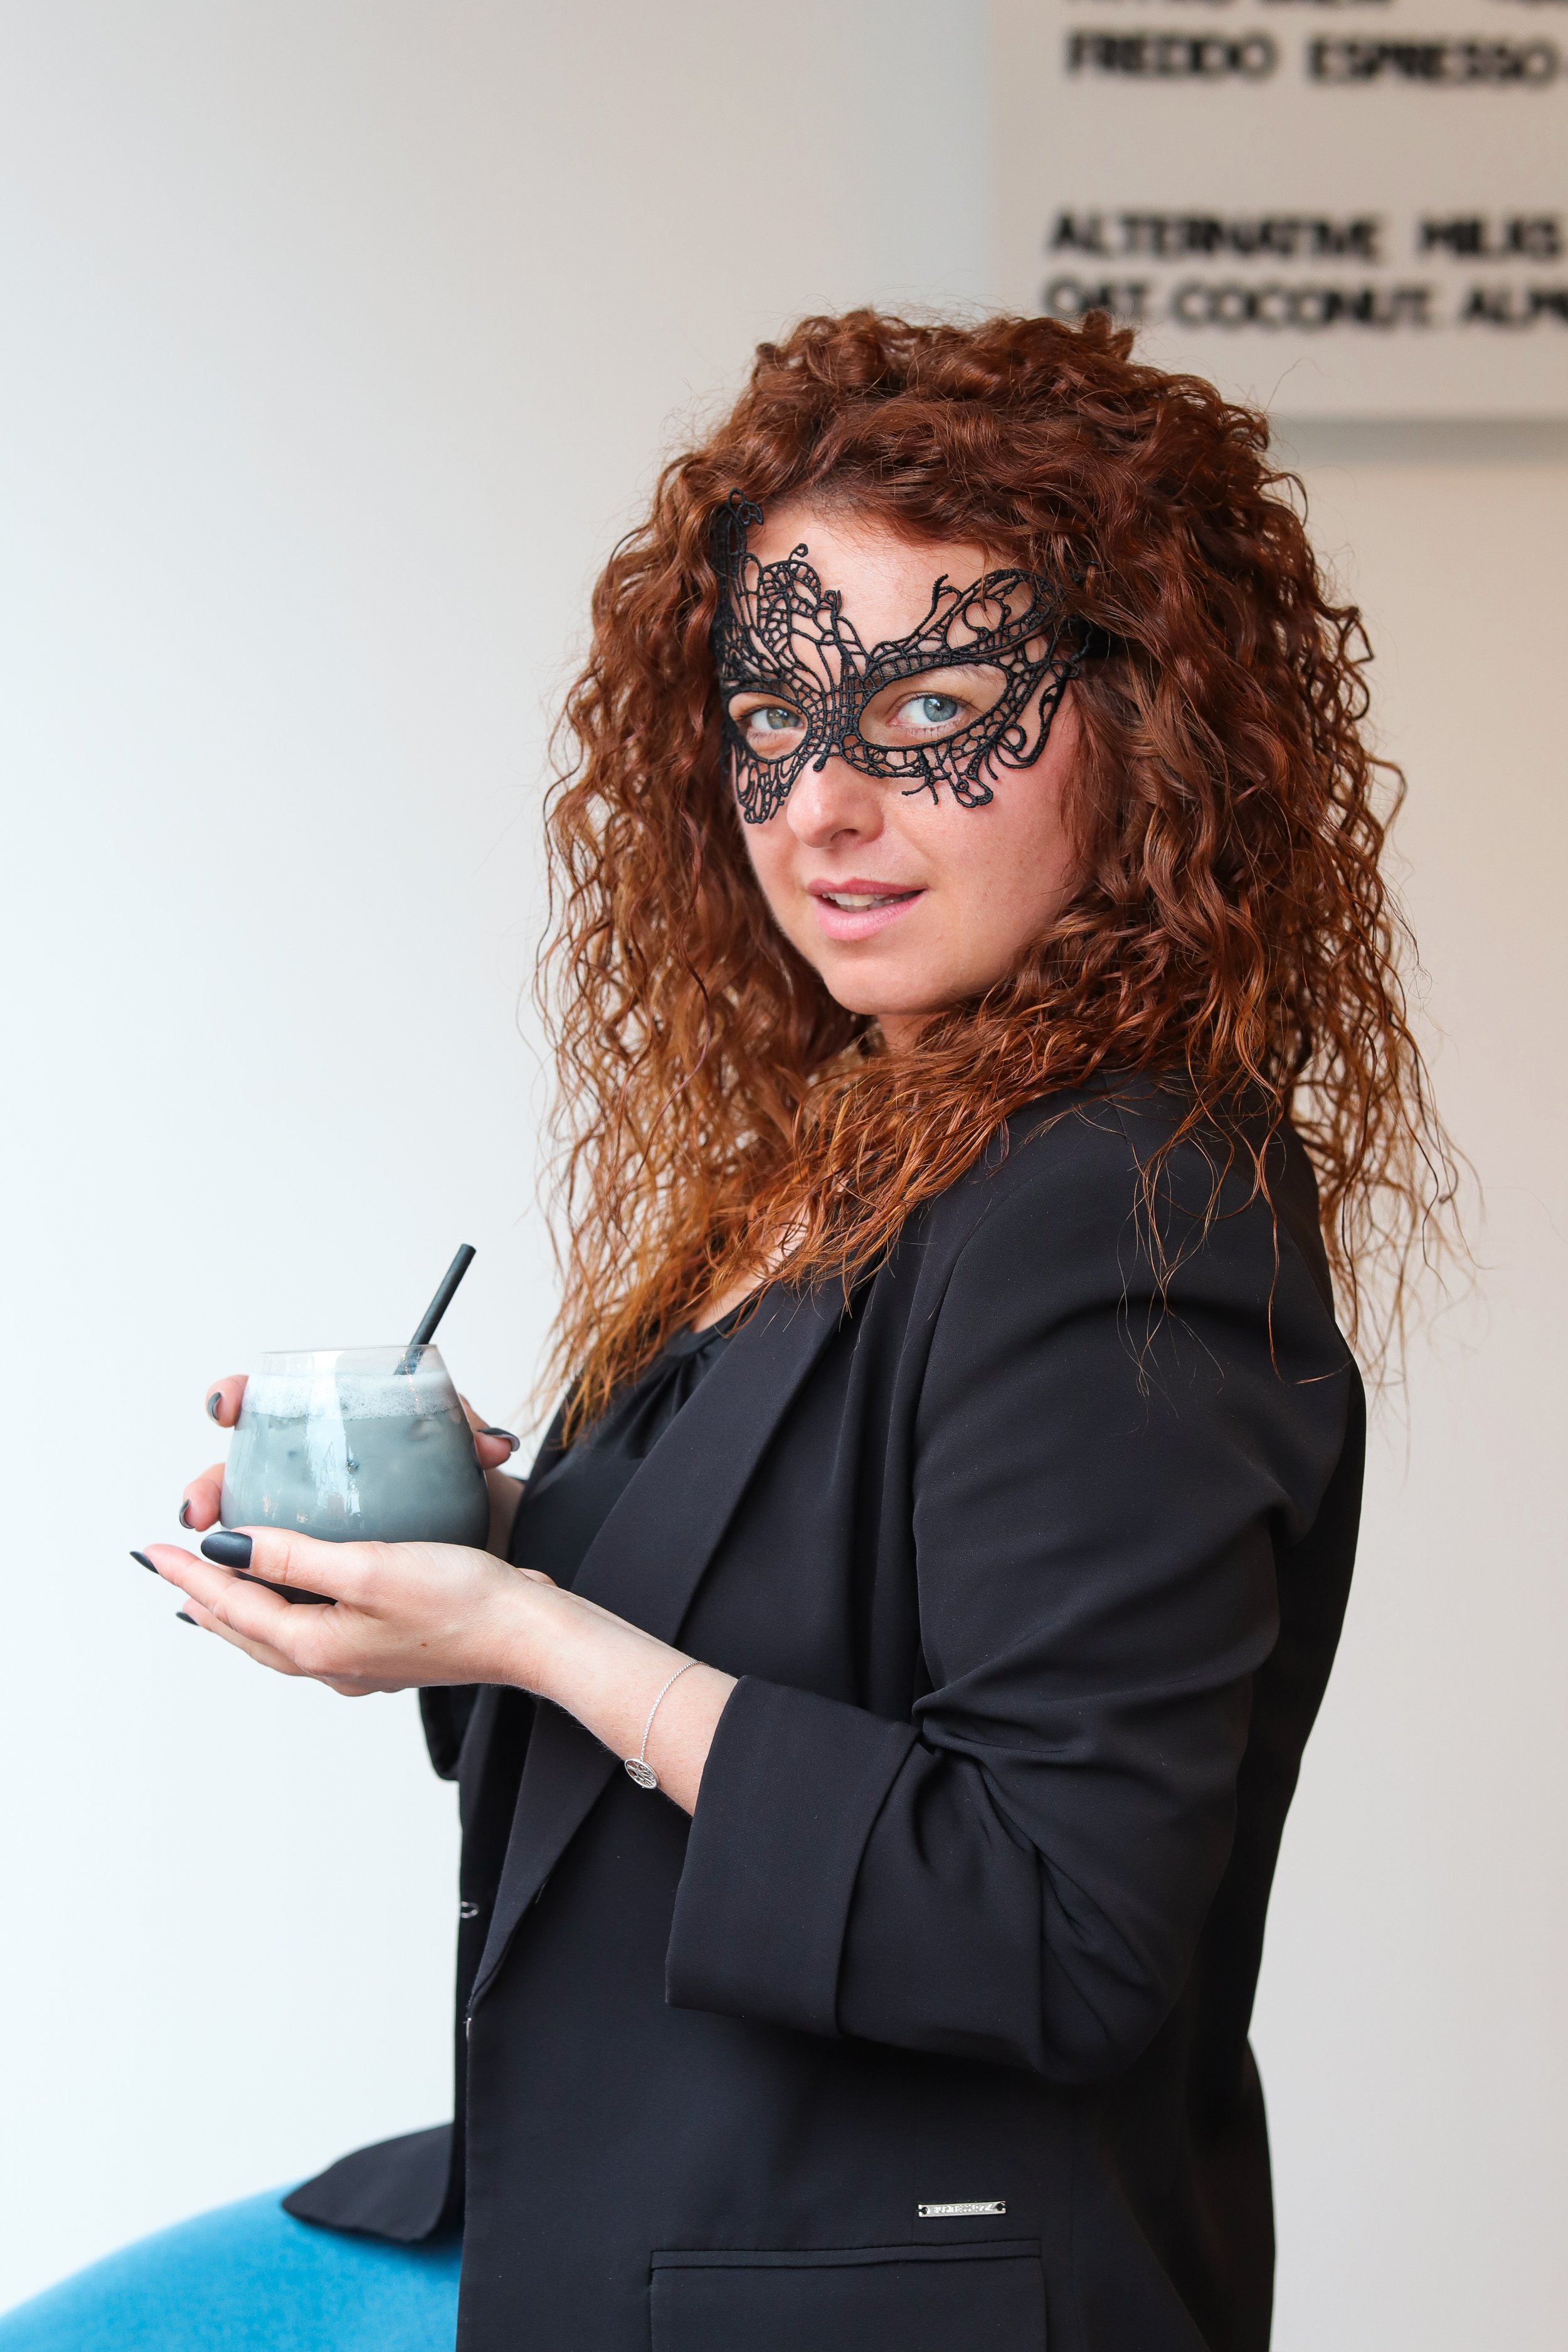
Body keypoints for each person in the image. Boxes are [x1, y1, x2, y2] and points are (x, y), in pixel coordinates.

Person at [26, 309, 1451, 2352]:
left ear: (1150, 735)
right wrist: (476, 1553)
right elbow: (770, 1637)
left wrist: (524, 1632)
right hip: (588, 2207)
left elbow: (1060, 1924)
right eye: (769, 712)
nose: (821, 804)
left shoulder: (1127, 1199)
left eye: (938, 705)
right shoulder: (853, 1147)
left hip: (858, 2291)